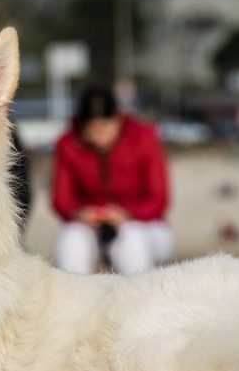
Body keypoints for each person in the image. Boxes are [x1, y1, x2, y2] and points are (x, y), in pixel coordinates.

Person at [51, 83, 172, 275]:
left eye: (105, 127)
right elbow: (61, 200)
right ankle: (75, 299)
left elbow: (159, 200)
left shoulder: (145, 138)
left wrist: (127, 214)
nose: (99, 136)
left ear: (118, 118)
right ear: (81, 125)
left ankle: (138, 297)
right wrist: (80, 213)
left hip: (143, 224)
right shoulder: (68, 144)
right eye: (91, 129)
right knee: (71, 239)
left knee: (130, 241)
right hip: (91, 225)